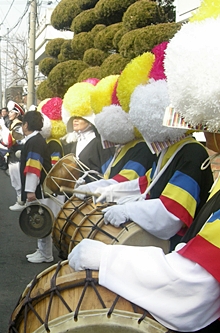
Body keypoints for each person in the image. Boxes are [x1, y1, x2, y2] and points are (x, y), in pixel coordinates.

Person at [68, 9, 220, 330]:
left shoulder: (190, 153)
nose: (209, 135)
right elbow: (144, 185)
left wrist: (109, 258)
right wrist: (112, 194)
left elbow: (174, 217)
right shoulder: (174, 152)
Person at [19, 111, 54, 263]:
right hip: (42, 187)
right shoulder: (36, 140)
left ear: (26, 125)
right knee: (40, 218)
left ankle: (46, 254)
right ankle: (42, 251)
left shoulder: (34, 142)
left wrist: (30, 191)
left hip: (40, 188)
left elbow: (33, 168)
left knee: (42, 219)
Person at [61, 82, 114, 181]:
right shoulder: (74, 143)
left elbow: (107, 172)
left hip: (94, 192)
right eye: (73, 117)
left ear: (90, 120)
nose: (75, 120)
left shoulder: (100, 142)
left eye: (80, 117)